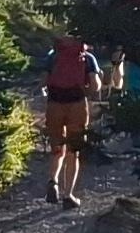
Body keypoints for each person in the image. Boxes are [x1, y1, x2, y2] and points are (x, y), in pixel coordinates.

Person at [40, 29, 99, 208]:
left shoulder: (52, 56)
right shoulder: (87, 57)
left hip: (54, 104)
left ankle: (53, 181)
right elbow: (95, 85)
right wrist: (84, 94)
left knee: (57, 148)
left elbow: (43, 81)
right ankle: (68, 195)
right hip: (77, 105)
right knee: (74, 150)